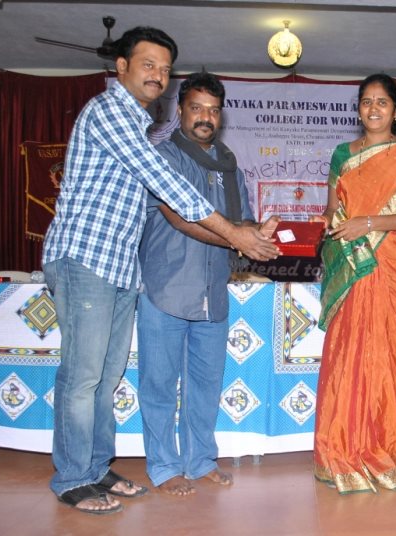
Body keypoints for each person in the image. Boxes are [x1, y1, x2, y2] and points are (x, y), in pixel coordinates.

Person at [41, 28, 279, 515]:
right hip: (86, 258)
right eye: (148, 64)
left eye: (165, 68)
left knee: (105, 378)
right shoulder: (111, 114)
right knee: (83, 378)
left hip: (120, 267)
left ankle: (96, 468)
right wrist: (237, 236)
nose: (157, 75)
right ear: (121, 67)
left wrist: (251, 233)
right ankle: (73, 478)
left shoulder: (143, 127)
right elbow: (170, 190)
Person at [137, 72, 276, 496]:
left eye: (213, 110)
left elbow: (241, 222)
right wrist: (239, 237)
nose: (205, 117)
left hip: (213, 291)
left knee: (205, 386)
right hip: (166, 286)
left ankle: (200, 461)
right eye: (196, 108)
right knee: (160, 385)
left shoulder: (230, 167)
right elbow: (182, 218)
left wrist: (260, 231)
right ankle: (164, 466)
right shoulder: (163, 157)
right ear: (180, 110)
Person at [311, 73, 396, 494]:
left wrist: (369, 223)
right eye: (367, 101)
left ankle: (381, 454)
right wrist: (325, 222)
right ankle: (341, 454)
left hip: (394, 268)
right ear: (359, 109)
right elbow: (333, 210)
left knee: (389, 360)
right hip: (352, 268)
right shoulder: (342, 155)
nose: (374, 108)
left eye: (382, 102)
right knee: (347, 358)